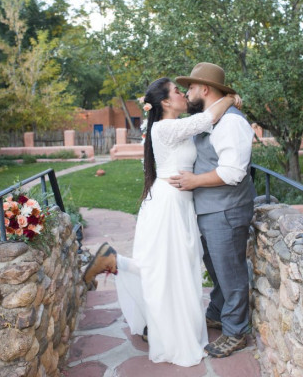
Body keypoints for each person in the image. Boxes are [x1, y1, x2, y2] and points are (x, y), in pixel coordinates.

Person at [82, 77, 239, 367]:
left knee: (169, 268)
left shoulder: (171, 126)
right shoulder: (165, 127)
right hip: (168, 205)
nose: (183, 95)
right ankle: (162, 325)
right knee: (166, 270)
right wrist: (230, 98)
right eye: (178, 92)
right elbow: (208, 117)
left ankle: (114, 260)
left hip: (176, 202)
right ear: (166, 102)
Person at [169, 62, 256, 359]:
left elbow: (233, 172)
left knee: (231, 273)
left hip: (227, 210)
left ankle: (235, 331)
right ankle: (218, 313)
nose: (187, 92)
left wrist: (194, 181)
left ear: (204, 89)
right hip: (210, 210)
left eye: (190, 87)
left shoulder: (232, 122)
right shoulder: (211, 119)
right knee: (217, 271)